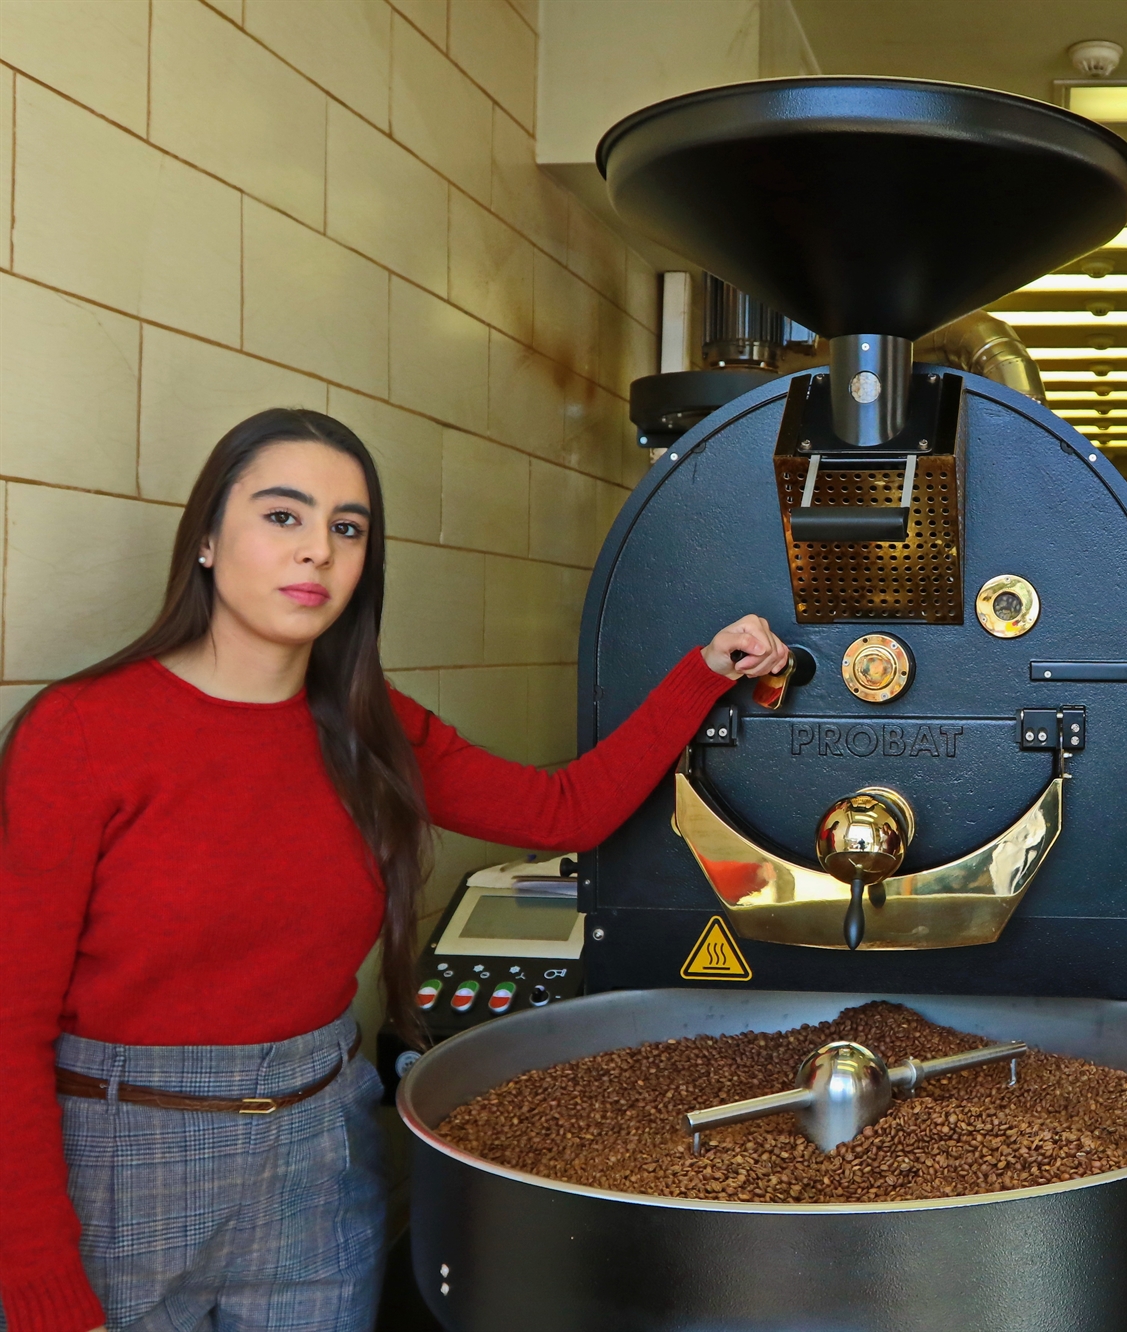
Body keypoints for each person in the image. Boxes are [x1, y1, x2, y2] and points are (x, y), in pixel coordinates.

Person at [0, 409, 789, 1332]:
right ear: (207, 539)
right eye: (283, 517)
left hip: (322, 1149)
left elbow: (563, 811)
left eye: (347, 528)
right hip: (126, 1160)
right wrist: (36, 1272)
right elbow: (10, 1021)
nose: (319, 555)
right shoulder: (83, 733)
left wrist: (702, 672)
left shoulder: (373, 725)